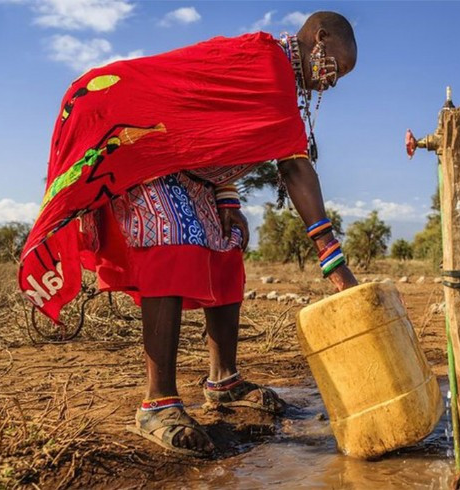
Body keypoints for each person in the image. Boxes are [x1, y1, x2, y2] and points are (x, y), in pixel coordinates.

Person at [19, 12, 358, 457]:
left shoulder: (272, 75)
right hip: (131, 133)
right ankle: (156, 404)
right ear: (321, 37)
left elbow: (212, 131)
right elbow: (294, 165)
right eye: (337, 66)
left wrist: (228, 201)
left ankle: (224, 381)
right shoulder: (269, 65)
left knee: (226, 249)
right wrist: (332, 259)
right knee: (172, 239)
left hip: (179, 160)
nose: (332, 83)